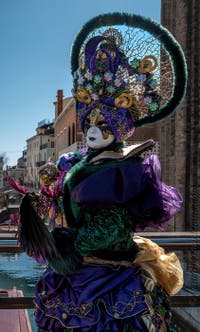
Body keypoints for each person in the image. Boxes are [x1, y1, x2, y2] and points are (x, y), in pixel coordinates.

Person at [12, 12, 187, 332]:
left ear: (119, 128)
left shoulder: (121, 169)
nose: (93, 131)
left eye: (102, 125)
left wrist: (70, 245)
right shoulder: (84, 161)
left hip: (105, 275)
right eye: (89, 123)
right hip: (80, 273)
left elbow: (114, 223)